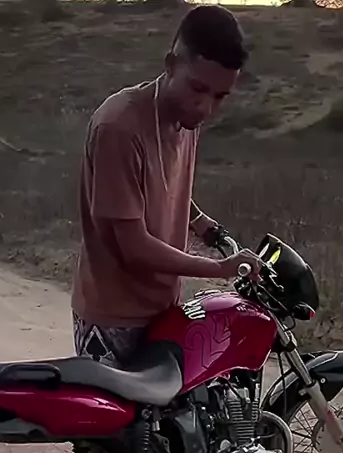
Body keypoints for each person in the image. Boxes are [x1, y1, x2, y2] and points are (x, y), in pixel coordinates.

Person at [72, 4, 260, 366]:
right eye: (198, 88)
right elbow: (134, 247)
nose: (206, 107)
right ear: (171, 64)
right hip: (113, 318)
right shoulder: (119, 128)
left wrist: (199, 220)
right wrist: (221, 268)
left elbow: (159, 184)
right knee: (116, 407)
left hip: (163, 307)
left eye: (220, 96)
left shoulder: (186, 119)